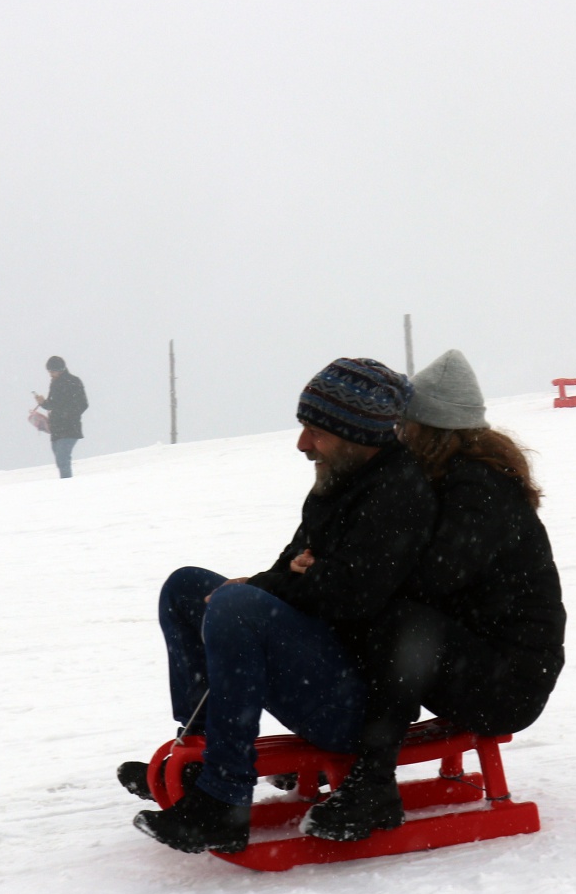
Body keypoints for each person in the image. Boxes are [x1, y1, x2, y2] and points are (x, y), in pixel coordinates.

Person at [120, 358, 436, 854]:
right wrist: (283, 580)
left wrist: (286, 584)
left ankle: (224, 802)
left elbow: (353, 599)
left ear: (357, 433)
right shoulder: (340, 479)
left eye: (316, 431)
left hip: (359, 706)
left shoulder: (400, 496)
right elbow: (294, 568)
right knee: (187, 588)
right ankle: (199, 754)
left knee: (237, 606)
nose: (303, 444)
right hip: (323, 668)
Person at [303, 349, 567, 842]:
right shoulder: (442, 480)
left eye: (406, 426)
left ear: (430, 429)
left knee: (398, 620)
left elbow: (429, 577)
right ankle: (331, 750)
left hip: (510, 681)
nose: (397, 435)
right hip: (476, 659)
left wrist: (343, 571)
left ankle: (374, 785)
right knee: (364, 608)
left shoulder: (480, 489)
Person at [37, 355, 88, 477]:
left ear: (61, 369)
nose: (50, 374)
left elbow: (83, 404)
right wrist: (43, 403)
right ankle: (65, 483)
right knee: (60, 460)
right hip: (56, 428)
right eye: (49, 371)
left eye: (53, 371)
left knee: (62, 459)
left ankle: (67, 485)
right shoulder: (55, 384)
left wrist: (68, 415)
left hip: (69, 427)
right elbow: (53, 405)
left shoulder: (73, 382)